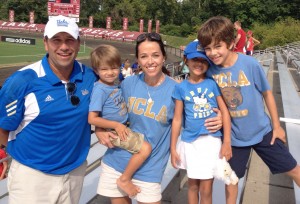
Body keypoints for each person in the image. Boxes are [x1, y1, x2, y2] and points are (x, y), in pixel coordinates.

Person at [95, 32, 223, 204]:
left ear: (163, 57)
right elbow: (106, 109)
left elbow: (200, 112)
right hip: (116, 163)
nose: (150, 61)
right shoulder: (127, 84)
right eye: (144, 56)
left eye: (155, 55)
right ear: (138, 60)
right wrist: (99, 129)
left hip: (150, 169)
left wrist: (220, 117)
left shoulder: (178, 89)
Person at [197, 16, 300, 204]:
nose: (212, 53)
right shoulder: (210, 72)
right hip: (235, 138)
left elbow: (267, 94)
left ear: (230, 43)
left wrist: (276, 126)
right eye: (208, 48)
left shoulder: (249, 64)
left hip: (262, 131)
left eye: (217, 46)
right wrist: (219, 116)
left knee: (293, 168)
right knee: (231, 180)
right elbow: (214, 102)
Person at [0, 15, 97, 204]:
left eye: (69, 40)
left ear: (78, 43)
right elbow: (2, 126)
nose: (63, 47)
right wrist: (23, 157)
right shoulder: (22, 81)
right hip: (32, 178)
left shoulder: (90, 77)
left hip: (75, 172)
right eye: (56, 40)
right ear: (45, 43)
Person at [170, 40, 232, 204]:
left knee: (206, 188)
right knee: (192, 187)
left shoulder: (212, 83)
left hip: (211, 142)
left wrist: (226, 142)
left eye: (204, 60)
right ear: (186, 60)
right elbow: (177, 119)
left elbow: (224, 111)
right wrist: (173, 148)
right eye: (195, 59)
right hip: (190, 142)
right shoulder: (181, 87)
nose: (199, 63)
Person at [88, 44, 152, 197]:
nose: (110, 73)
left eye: (114, 68)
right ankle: (124, 179)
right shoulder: (100, 90)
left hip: (122, 126)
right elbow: (92, 118)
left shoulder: (113, 86)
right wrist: (115, 125)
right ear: (96, 70)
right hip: (114, 130)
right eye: (104, 69)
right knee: (146, 149)